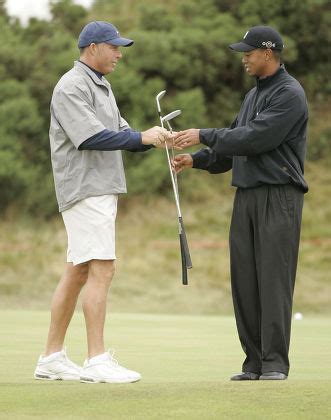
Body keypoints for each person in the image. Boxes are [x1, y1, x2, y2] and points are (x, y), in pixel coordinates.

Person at [34, 21, 171, 384]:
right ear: (92, 47)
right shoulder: (72, 85)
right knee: (102, 268)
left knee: (78, 269)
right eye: (113, 47)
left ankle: (51, 357)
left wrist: (155, 138)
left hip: (98, 187)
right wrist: (138, 136)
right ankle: (96, 360)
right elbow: (90, 136)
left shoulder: (100, 86)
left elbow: (123, 135)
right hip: (86, 188)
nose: (119, 54)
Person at [173, 26, 308, 381]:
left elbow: (255, 138)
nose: (244, 58)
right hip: (246, 196)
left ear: (268, 53)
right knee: (245, 280)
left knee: (273, 280)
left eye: (248, 52)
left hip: (279, 197)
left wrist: (204, 134)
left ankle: (275, 363)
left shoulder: (289, 94)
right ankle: (254, 362)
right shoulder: (252, 97)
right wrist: (198, 159)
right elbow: (233, 147)